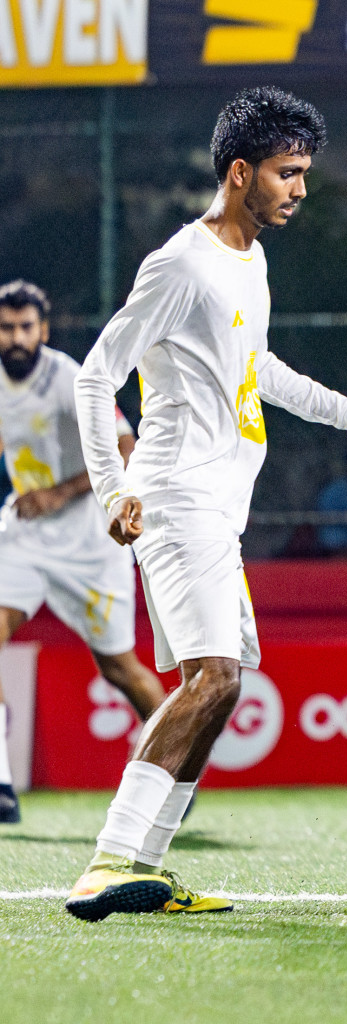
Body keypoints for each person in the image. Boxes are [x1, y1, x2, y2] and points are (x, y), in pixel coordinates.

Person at [66, 87, 347, 921]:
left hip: (220, 513)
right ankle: (108, 861)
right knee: (214, 677)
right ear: (238, 172)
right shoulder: (181, 264)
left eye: (303, 172)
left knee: (221, 687)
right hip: (175, 499)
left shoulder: (249, 259)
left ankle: (146, 869)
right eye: (286, 173)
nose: (300, 189)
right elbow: (94, 375)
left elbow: (260, 371)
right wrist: (114, 490)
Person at [0, 280, 166, 824]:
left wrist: (58, 493)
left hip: (91, 543)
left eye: (26, 327)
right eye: (6, 328)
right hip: (23, 537)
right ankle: (2, 783)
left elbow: (125, 446)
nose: (16, 338)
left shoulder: (68, 377)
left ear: (42, 331)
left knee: (119, 668)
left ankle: (173, 768)